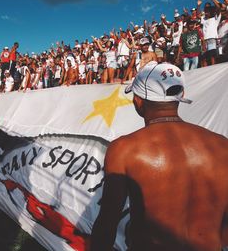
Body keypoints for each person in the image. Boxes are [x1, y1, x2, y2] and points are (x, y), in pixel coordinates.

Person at [90, 61, 228, 251]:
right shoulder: (222, 144)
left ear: (138, 100)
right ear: (181, 96)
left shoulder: (125, 149)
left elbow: (107, 223)